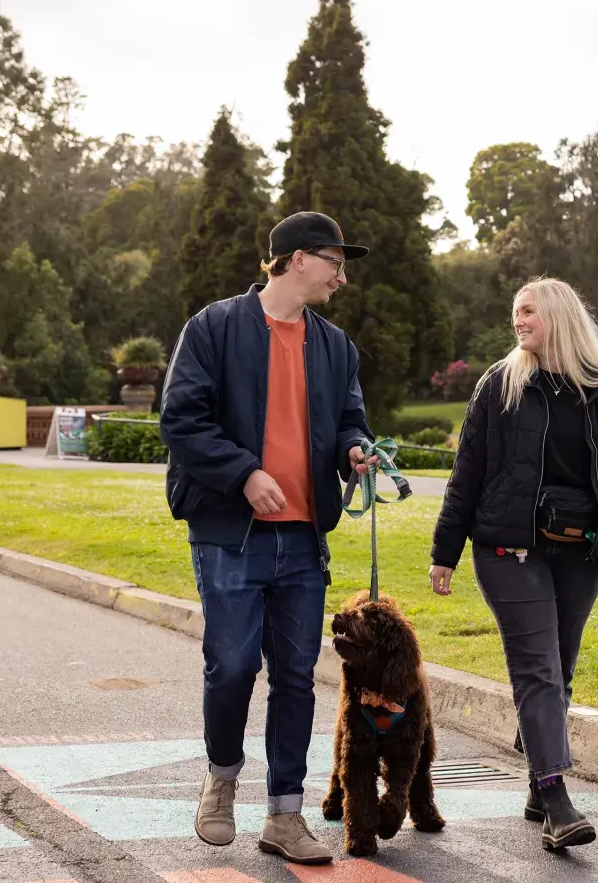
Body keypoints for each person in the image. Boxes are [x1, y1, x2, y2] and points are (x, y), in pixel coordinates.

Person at [159, 211, 376, 866]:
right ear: (297, 258)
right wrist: (244, 473)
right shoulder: (214, 327)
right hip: (230, 535)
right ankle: (221, 778)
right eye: (335, 261)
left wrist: (355, 451)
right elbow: (181, 420)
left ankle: (285, 815)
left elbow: (349, 420)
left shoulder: (336, 347)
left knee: (296, 680)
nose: (342, 276)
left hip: (304, 541)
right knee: (231, 667)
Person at [429, 278, 598, 851]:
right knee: (538, 669)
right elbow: (467, 471)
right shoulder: (499, 384)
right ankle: (555, 799)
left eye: (529, 312)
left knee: (560, 666)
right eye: (515, 312)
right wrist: (444, 552)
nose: (518, 321)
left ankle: (534, 779)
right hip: (507, 547)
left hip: (582, 550)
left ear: (558, 316)